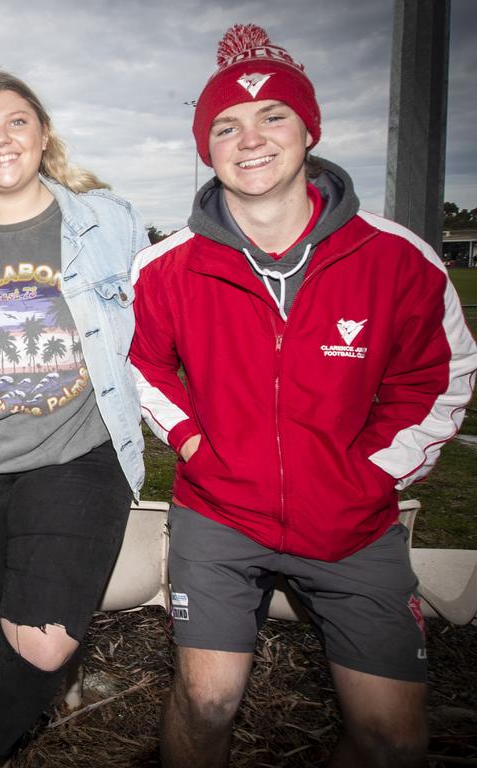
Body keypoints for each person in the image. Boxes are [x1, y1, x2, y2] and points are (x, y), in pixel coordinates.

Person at [128, 24, 477, 768]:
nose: (249, 139)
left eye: (272, 117)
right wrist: (193, 441)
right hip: (220, 513)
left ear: (309, 129)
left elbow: (439, 380)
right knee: (208, 701)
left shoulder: (396, 259)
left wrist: (373, 474)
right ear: (205, 145)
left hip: (352, 522)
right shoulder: (165, 268)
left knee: (391, 739)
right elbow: (141, 366)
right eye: (226, 125)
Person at [0, 71, 147, 768]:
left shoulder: (108, 222)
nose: (0, 139)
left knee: (44, 638)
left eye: (16, 122)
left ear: (44, 135)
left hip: (75, 451)